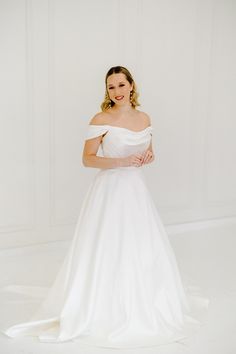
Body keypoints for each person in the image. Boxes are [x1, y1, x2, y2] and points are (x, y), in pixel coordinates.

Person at [1, 66, 209, 348]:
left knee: (139, 246)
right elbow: (87, 159)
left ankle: (140, 303)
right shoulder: (101, 118)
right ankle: (100, 307)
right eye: (111, 87)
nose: (117, 92)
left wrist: (147, 156)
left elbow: (150, 151)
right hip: (110, 190)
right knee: (108, 246)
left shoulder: (144, 117)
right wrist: (120, 163)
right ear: (107, 90)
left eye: (122, 85)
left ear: (132, 86)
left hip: (136, 191)